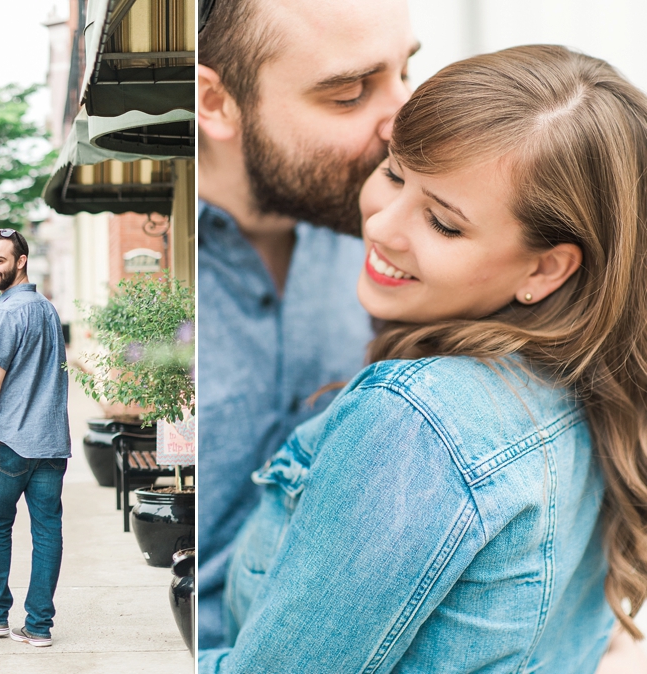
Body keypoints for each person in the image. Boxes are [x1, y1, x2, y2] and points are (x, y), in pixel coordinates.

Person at [200, 45, 647, 672]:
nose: (382, 226)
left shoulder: (415, 420)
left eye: (442, 223)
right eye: (392, 171)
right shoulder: (587, 396)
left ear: (545, 269)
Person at [196, 0, 418, 647]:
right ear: (213, 102)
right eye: (350, 93)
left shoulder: (411, 237)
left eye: (407, 70)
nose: (406, 124)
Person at [0, 228, 70, 648]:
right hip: (50, 442)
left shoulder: (9, 313)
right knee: (47, 532)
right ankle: (39, 626)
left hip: (9, 443)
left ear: (21, 261)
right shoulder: (46, 309)